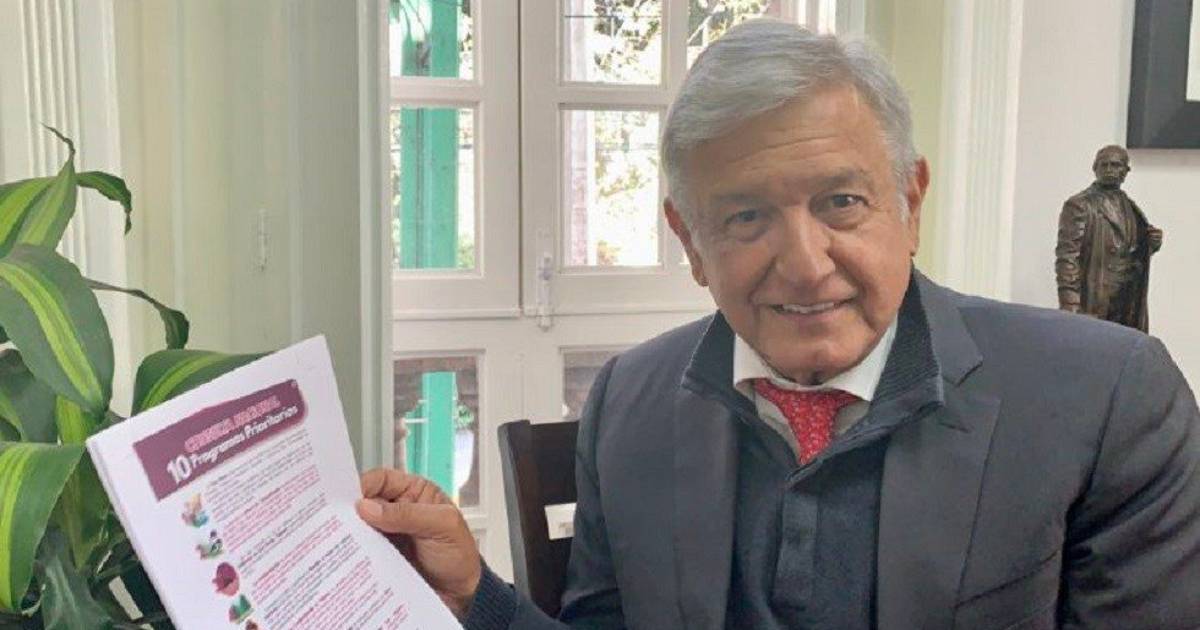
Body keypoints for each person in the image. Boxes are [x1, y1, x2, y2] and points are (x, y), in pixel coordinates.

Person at [357, 20, 1200, 629]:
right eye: (746, 217)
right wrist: (475, 596)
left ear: (910, 202)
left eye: (842, 201)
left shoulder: (1107, 400)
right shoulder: (628, 405)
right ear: (690, 242)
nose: (803, 263)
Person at [1055, 145, 1163, 332]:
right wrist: (1070, 304)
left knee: (1124, 345)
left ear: (1126, 171)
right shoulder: (1079, 205)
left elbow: (1129, 249)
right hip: (1097, 297)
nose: (1109, 170)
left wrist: (1150, 244)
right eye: (1104, 165)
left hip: (1128, 299)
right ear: (1094, 168)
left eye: (1116, 165)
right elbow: (1067, 258)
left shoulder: (1131, 207)